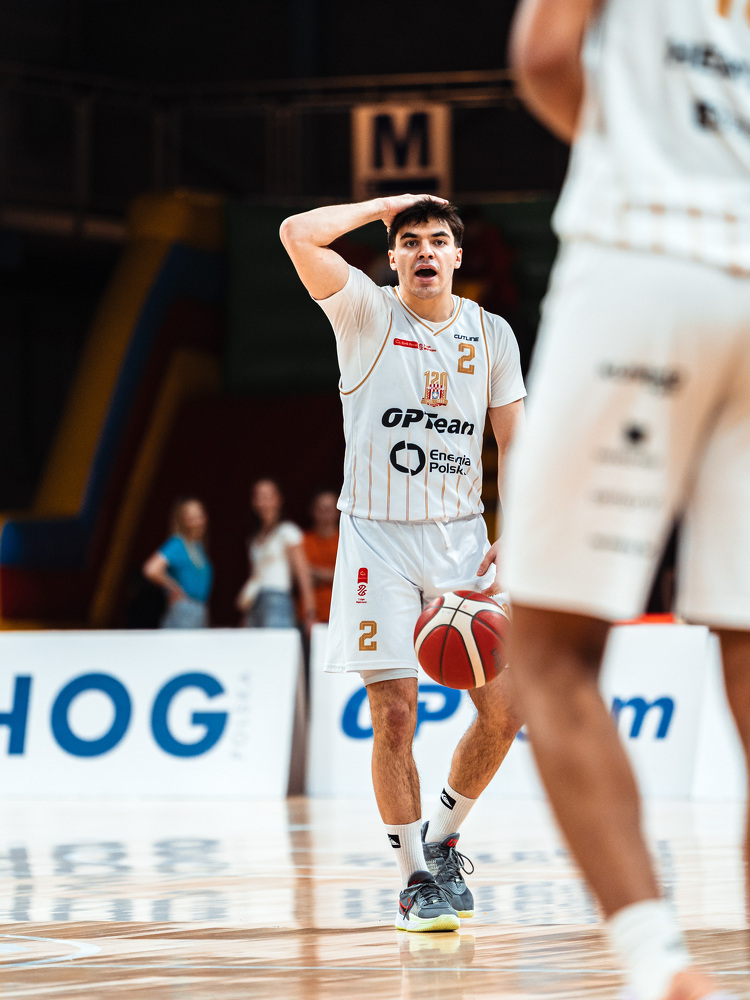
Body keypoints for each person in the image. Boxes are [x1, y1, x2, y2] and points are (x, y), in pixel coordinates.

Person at [504, 2, 750, 1000]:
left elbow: (546, 55)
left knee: (549, 653)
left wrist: (638, 153)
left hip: (642, 256)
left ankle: (657, 962)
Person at [280, 195, 526, 932]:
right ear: (391, 258)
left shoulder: (491, 333)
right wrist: (387, 205)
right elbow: (297, 233)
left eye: (437, 240)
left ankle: (443, 840)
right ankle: (415, 880)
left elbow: (515, 440)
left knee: (507, 710)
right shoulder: (363, 311)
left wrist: (516, 527)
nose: (424, 250)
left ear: (457, 257)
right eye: (409, 240)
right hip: (376, 540)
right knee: (394, 714)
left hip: (460, 541)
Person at [237, 478, 316, 630]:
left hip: (277, 598)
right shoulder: (254, 539)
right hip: (255, 602)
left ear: (278, 500)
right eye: (258, 497)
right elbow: (254, 576)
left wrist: (309, 612)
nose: (263, 503)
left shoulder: (288, 532)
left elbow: (302, 573)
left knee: (276, 643)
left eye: (267, 497)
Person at [142, 496, 212, 628]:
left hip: (199, 610)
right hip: (184, 610)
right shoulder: (178, 543)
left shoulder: (198, 547)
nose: (198, 521)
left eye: (200, 516)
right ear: (184, 520)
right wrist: (172, 586)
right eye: (192, 517)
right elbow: (151, 569)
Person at [303, 490, 340, 624]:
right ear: (312, 511)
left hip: (340, 613)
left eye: (329, 510)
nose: (325, 515)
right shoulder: (303, 540)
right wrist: (334, 574)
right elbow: (299, 576)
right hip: (310, 616)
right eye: (321, 509)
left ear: (338, 512)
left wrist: (316, 574)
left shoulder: (346, 542)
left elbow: (352, 575)